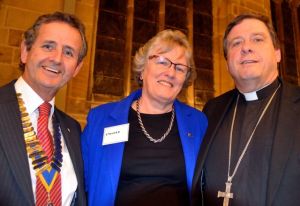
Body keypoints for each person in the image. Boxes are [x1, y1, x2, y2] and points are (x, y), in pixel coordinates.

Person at [81, 29, 208, 206]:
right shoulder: (101, 119)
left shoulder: (198, 123)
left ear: (184, 79)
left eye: (179, 68)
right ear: (142, 70)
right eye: (162, 62)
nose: (170, 73)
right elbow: (82, 184)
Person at [192, 13, 300, 206]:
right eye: (236, 43)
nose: (246, 47)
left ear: (277, 53)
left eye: (257, 39)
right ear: (227, 61)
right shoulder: (212, 110)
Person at [0, 11, 88, 205]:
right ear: (25, 50)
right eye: (48, 46)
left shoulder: (73, 129)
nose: (57, 59)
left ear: (77, 68)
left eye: (68, 52)